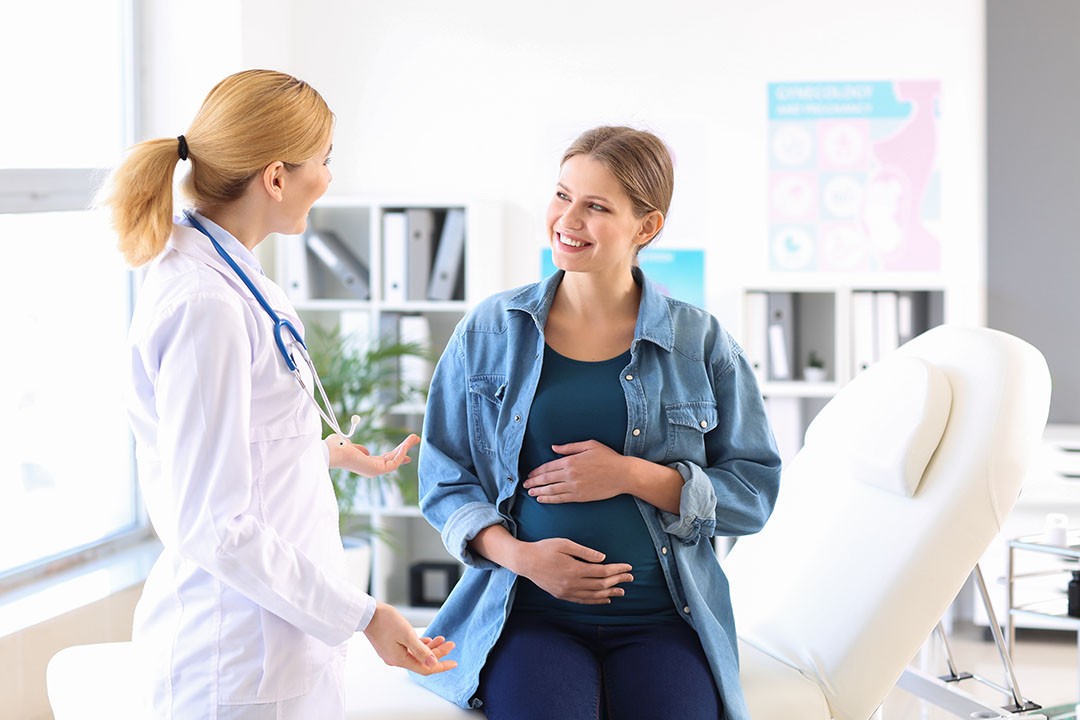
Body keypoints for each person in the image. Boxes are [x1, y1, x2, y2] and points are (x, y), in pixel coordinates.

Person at [99, 69, 456, 719]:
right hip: (233, 663)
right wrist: (366, 613)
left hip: (276, 649)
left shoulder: (230, 271)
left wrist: (320, 454)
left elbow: (232, 458)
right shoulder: (205, 302)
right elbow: (214, 523)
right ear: (275, 177)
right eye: (324, 161)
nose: (328, 178)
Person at [413, 126, 782, 720]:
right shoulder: (489, 330)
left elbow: (754, 495)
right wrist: (523, 557)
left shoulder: (702, 343)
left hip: (663, 622)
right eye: (562, 196)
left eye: (596, 206)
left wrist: (635, 475)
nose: (568, 219)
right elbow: (443, 478)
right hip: (530, 618)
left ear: (647, 226)